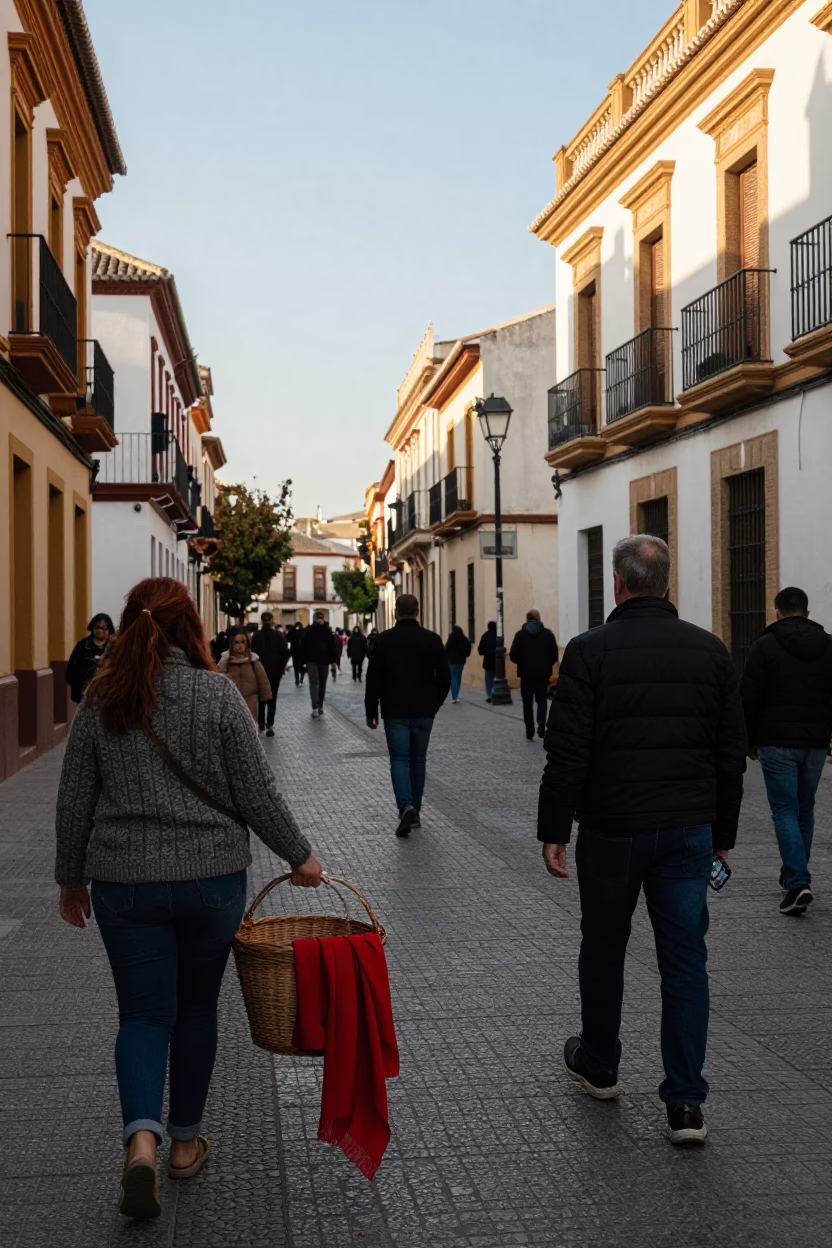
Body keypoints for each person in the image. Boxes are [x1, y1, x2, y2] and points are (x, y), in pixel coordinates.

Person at [54, 577, 323, 1221]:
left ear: (128, 625)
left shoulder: (101, 698)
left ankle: (140, 1143)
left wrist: (71, 879)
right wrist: (300, 855)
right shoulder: (218, 693)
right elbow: (257, 792)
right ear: (190, 628)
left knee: (143, 1016)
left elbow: (74, 799)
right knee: (198, 1010)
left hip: (124, 885)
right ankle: (183, 1145)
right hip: (212, 882)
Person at [538, 535, 746, 1147]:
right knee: (685, 960)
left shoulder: (588, 651)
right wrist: (723, 836)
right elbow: (730, 754)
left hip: (612, 829)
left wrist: (554, 829)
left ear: (619, 583)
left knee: (604, 945)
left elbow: (566, 750)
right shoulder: (711, 651)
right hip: (688, 830)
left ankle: (600, 1063)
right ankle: (686, 1104)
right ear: (666, 583)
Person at [740, 586, 832, 915]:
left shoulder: (764, 647)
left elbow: (748, 698)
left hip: (775, 742)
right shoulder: (828, 645)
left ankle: (797, 882)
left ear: (777, 612)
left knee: (784, 810)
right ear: (807, 613)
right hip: (816, 744)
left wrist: (748, 741)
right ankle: (794, 875)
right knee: (804, 809)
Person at [365, 594, 451, 838]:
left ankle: (405, 806)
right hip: (424, 711)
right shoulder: (432, 640)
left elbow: (373, 678)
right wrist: (435, 703)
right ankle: (416, 812)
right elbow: (445, 678)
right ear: (417, 612)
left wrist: (371, 710)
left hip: (395, 711)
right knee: (418, 760)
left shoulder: (383, 641)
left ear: (395, 613)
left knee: (400, 759)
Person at [510, 610, 559, 741]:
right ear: (539, 618)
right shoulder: (548, 634)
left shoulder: (520, 635)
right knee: (542, 700)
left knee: (527, 703)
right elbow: (554, 655)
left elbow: (514, 655)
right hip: (542, 674)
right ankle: (541, 722)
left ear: (527, 619)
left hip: (526, 674)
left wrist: (521, 661)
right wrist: (547, 664)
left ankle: (529, 729)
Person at [217, 629, 272, 721]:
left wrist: (266, 695)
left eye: (243, 642)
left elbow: (263, 679)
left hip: (250, 702)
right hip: (231, 702)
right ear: (231, 644)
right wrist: (223, 662)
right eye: (236, 642)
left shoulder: (253, 660)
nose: (240, 645)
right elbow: (217, 678)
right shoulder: (226, 661)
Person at [251, 612, 289, 737]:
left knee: (261, 696)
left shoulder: (256, 636)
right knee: (272, 697)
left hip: (260, 670)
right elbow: (286, 653)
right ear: (272, 620)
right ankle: (270, 724)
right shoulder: (279, 636)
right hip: (275, 671)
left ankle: (261, 721)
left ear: (262, 621)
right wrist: (282, 666)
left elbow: (251, 653)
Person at [66, 614, 116, 703]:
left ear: (109, 629)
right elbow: (71, 670)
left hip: (107, 695)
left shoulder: (114, 647)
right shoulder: (82, 645)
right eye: (97, 627)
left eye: (104, 628)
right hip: (84, 694)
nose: (100, 631)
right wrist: (78, 685)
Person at [301, 610, 339, 717]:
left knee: (320, 683)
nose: (320, 619)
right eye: (318, 617)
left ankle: (319, 706)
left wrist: (333, 661)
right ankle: (316, 706)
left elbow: (333, 647)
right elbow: (303, 645)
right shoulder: (311, 630)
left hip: (322, 661)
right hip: (314, 661)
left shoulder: (326, 631)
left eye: (321, 617)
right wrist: (304, 661)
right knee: (316, 683)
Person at [445, 625, 472, 703]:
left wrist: (447, 657)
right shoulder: (464, 639)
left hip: (452, 661)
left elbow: (446, 648)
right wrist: (466, 655)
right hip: (460, 661)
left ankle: (454, 696)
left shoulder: (451, 638)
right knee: (458, 677)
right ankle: (456, 694)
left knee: (453, 678)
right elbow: (468, 647)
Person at [477, 621, 497, 702]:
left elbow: (480, 650)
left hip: (488, 660)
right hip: (497, 661)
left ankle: (489, 695)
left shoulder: (485, 636)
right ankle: (495, 694)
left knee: (488, 680)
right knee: (496, 678)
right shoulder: (498, 635)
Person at [289, 621, 306, 685]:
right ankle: (301, 679)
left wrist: (292, 628)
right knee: (302, 667)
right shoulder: (304, 631)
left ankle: (297, 680)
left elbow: (287, 637)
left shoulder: (293, 632)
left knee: (296, 667)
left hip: (295, 653)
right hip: (302, 653)